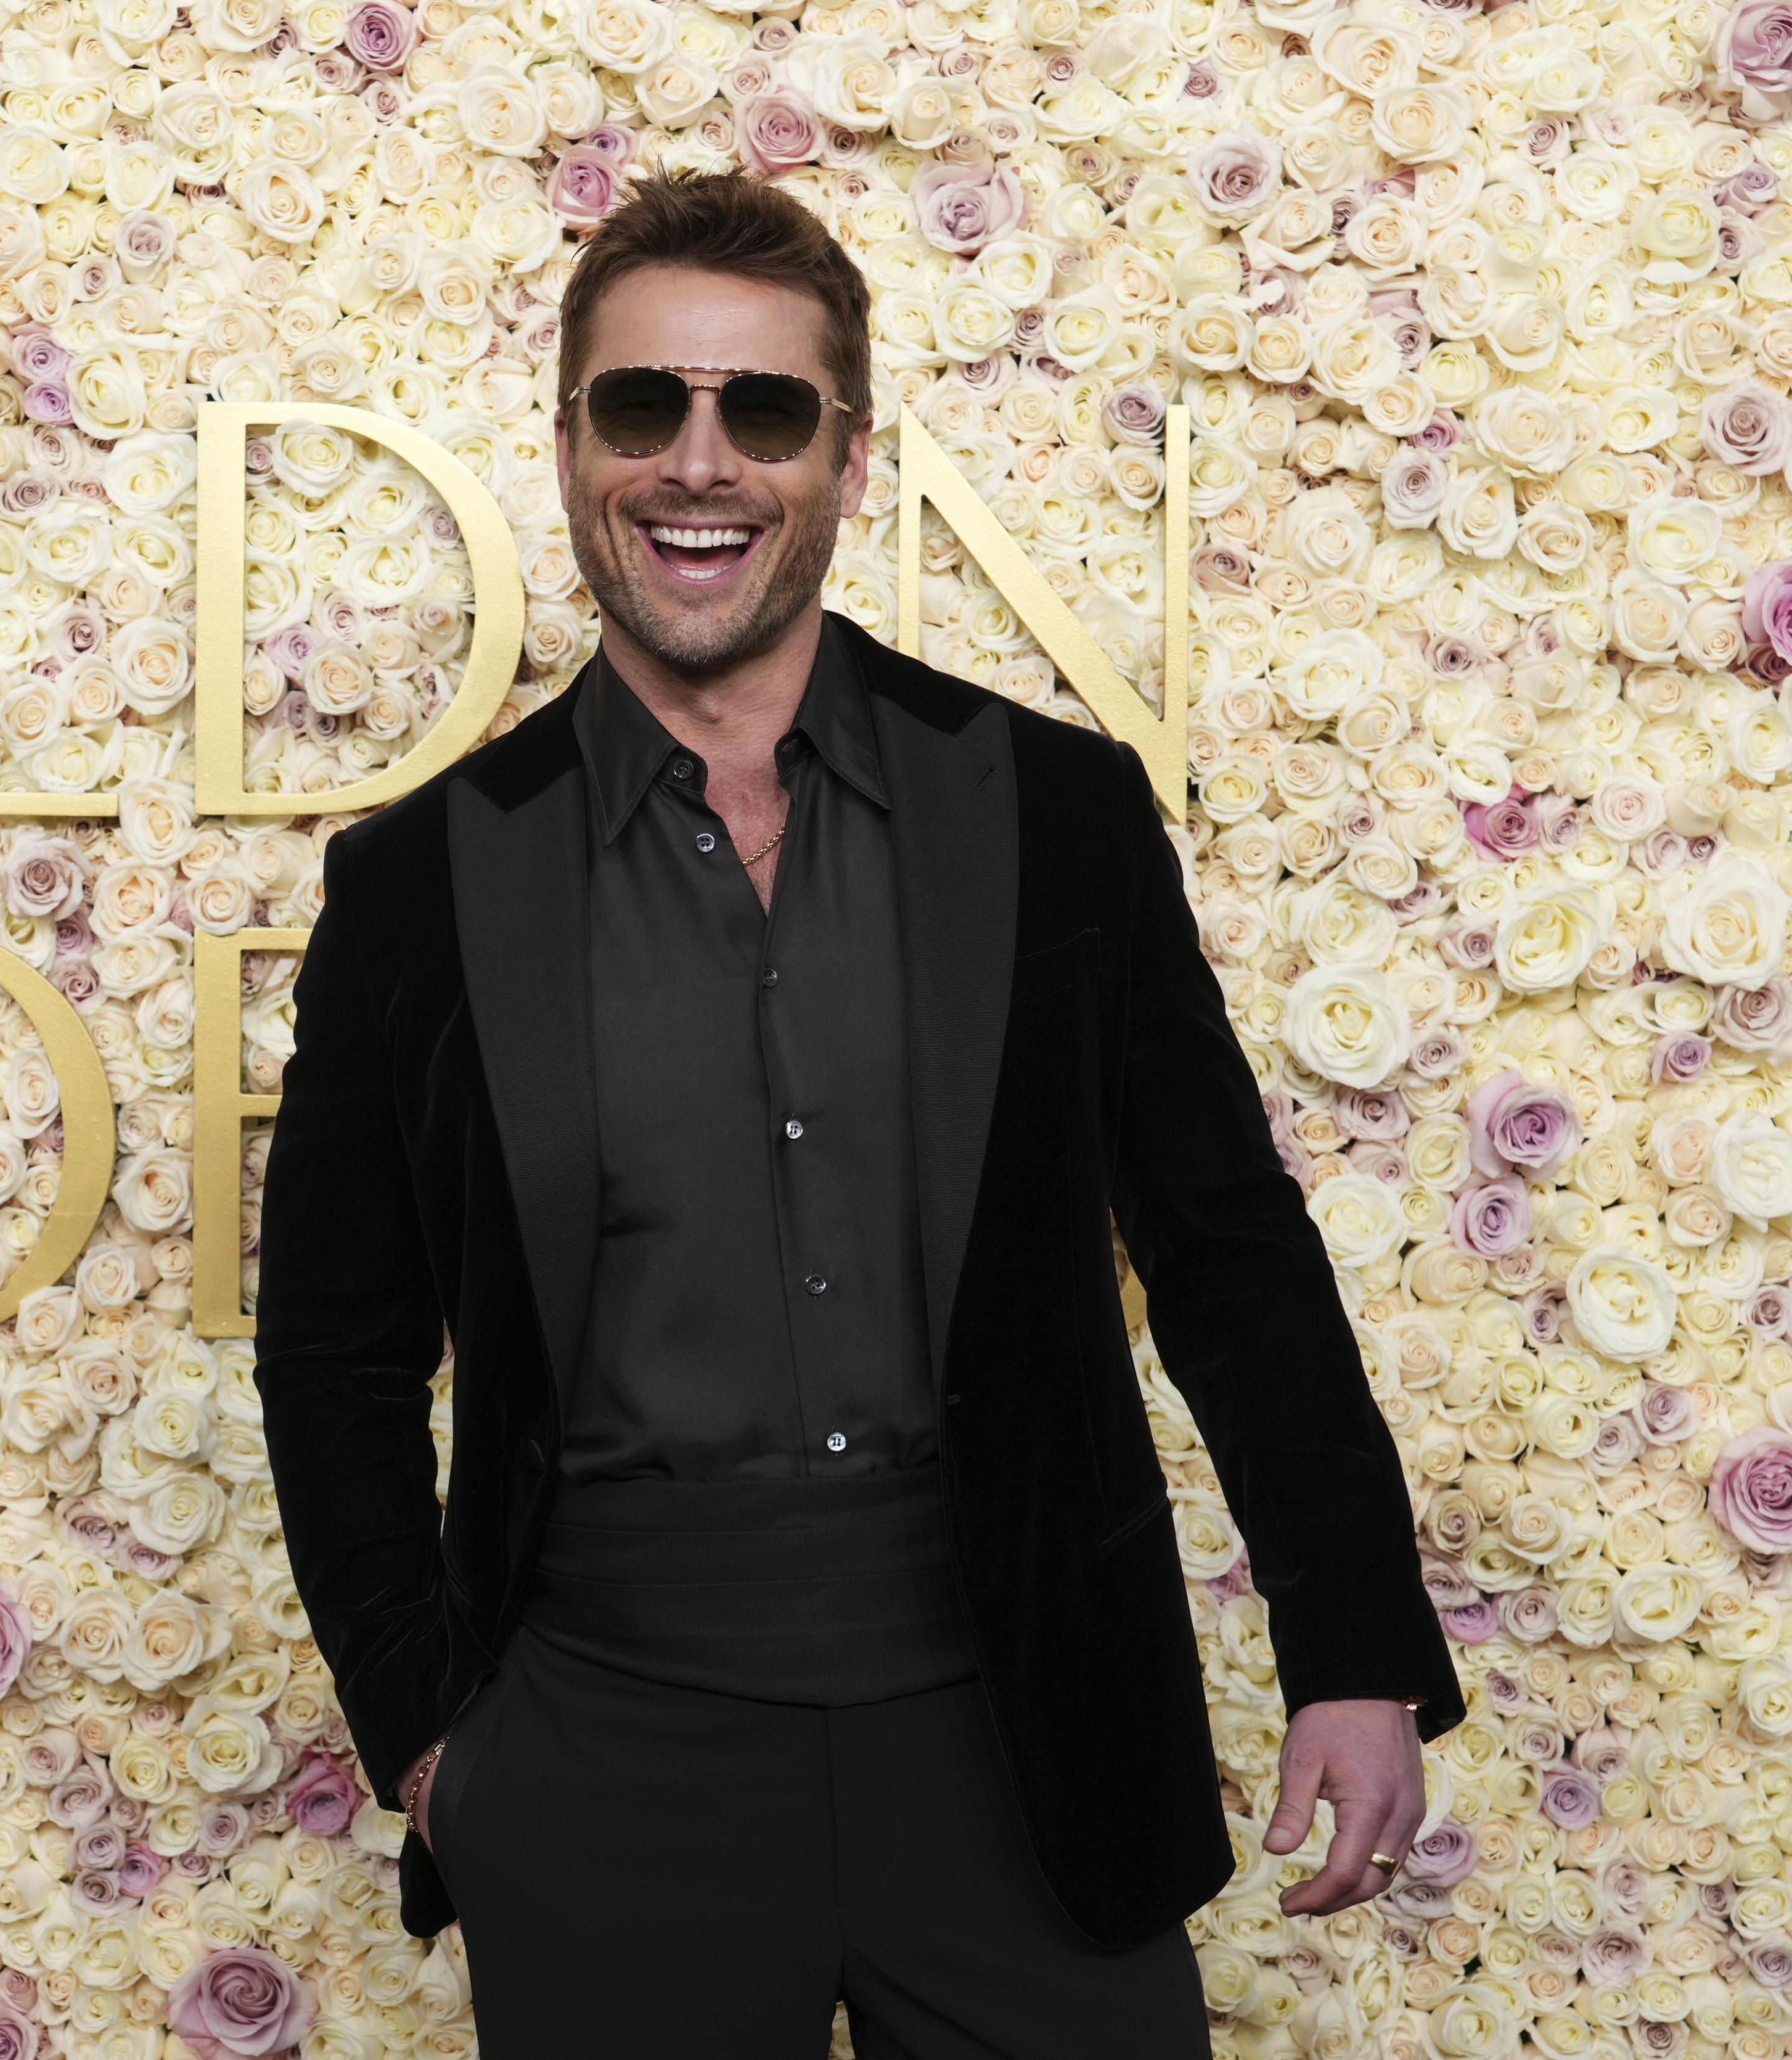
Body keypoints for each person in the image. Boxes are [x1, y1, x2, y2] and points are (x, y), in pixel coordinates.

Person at [252, 170, 1463, 2055]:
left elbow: (1224, 1247)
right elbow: (330, 1347)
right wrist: (430, 1738)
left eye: (764, 411)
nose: (697, 464)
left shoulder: (1051, 814)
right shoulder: (421, 882)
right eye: (642, 405)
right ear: (570, 441)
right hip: (598, 1753)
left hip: (1019, 1732)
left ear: (849, 453)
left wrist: (1355, 1647)